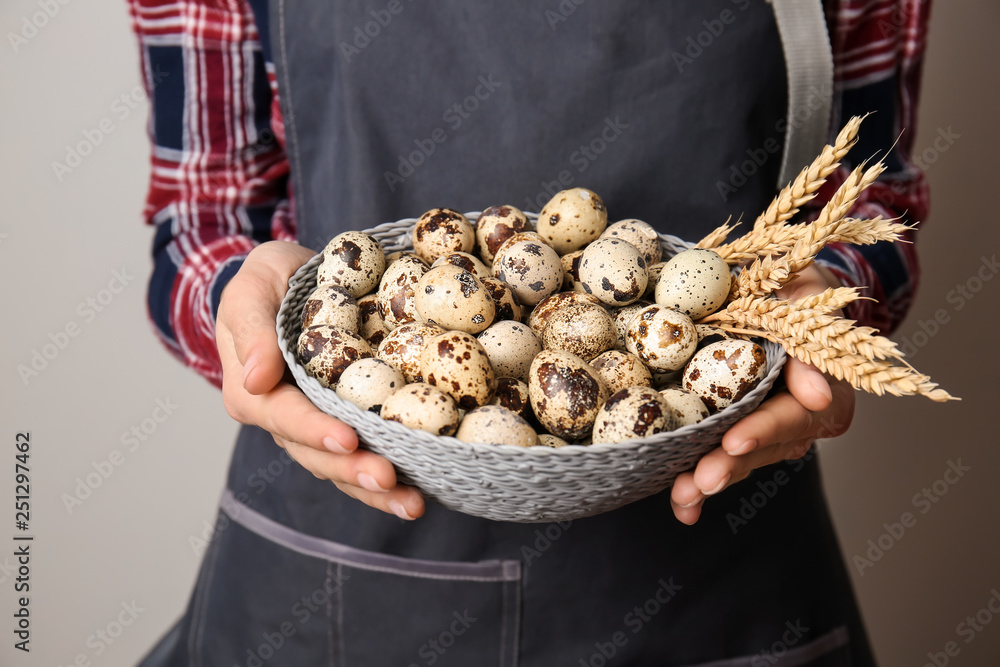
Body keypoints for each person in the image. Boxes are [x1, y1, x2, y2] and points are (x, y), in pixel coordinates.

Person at [128, 0, 930, 664]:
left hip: (720, 543)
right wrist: (243, 304)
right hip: (342, 547)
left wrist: (826, 305)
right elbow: (204, 216)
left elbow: (871, 191)